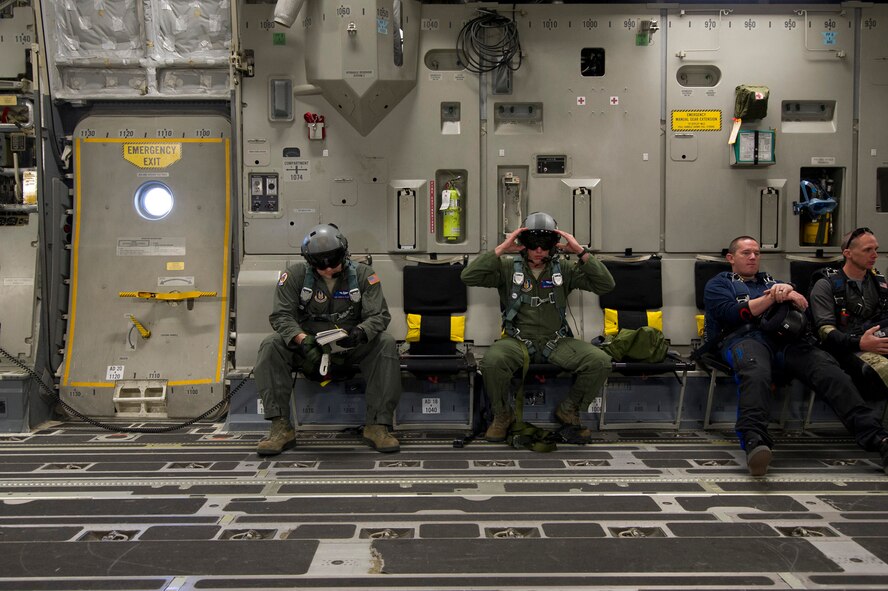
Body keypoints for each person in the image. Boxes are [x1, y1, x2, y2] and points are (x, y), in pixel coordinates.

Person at [703, 235, 888, 476]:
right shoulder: (718, 285)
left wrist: (788, 290)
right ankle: (755, 441)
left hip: (785, 341)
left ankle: (878, 439)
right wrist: (773, 296)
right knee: (755, 371)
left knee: (829, 371)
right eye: (746, 253)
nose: (753, 257)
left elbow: (801, 304)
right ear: (731, 258)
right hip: (743, 339)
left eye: (757, 253)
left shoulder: (771, 281)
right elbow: (733, 313)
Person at [461, 212, 615, 442]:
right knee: (492, 361)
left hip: (556, 342)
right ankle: (503, 415)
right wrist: (502, 248)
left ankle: (569, 409)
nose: (539, 250)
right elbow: (468, 276)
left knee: (600, 361)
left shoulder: (564, 270)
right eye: (533, 243)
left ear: (554, 246)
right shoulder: (506, 268)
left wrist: (581, 252)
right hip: (518, 341)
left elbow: (606, 285)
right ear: (523, 244)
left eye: (545, 244)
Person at [253, 223, 402, 455]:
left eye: (334, 263)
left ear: (344, 254)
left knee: (385, 343)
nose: (328, 270)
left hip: (350, 345)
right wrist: (302, 340)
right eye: (320, 266)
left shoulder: (364, 275)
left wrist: (361, 332)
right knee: (271, 345)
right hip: (308, 346)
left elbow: (379, 315)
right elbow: (281, 315)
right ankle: (280, 427)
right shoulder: (294, 276)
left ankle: (377, 425)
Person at [810, 227, 888, 394]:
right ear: (848, 253)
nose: (874, 255)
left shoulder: (878, 282)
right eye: (868, 250)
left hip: (877, 340)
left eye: (876, 249)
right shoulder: (825, 285)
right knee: (885, 369)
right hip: (844, 348)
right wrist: (860, 343)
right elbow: (825, 331)